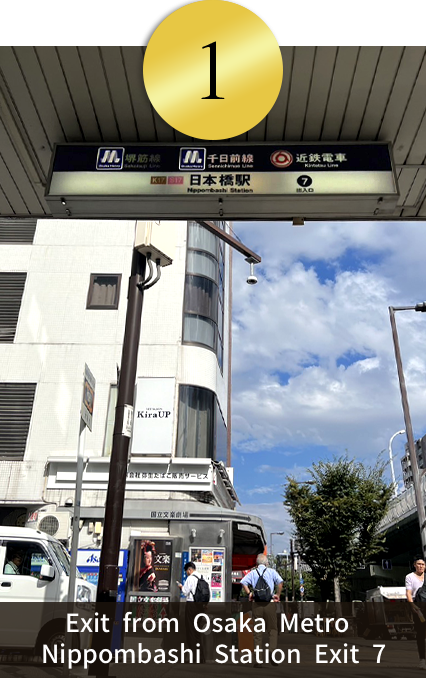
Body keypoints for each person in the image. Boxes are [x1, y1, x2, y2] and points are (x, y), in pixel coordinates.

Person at [241, 554, 283, 667]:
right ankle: (272, 652)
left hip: (257, 604)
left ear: (256, 564)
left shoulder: (253, 573)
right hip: (269, 603)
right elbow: (280, 582)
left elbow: (243, 582)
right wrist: (277, 595)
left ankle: (258, 660)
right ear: (266, 563)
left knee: (257, 633)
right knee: (273, 630)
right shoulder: (271, 572)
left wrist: (249, 593)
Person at [177, 562, 206, 663]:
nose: (187, 573)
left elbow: (185, 592)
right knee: (197, 632)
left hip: (191, 606)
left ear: (189, 570)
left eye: (187, 572)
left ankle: (194, 658)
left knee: (191, 631)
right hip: (200, 607)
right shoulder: (202, 577)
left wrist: (180, 586)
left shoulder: (190, 578)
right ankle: (201, 657)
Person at [406, 556, 426, 669]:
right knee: (421, 634)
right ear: (414, 565)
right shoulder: (409, 577)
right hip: (418, 608)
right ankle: (422, 660)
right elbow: (409, 593)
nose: (420, 566)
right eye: (418, 564)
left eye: (423, 564)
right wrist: (412, 605)